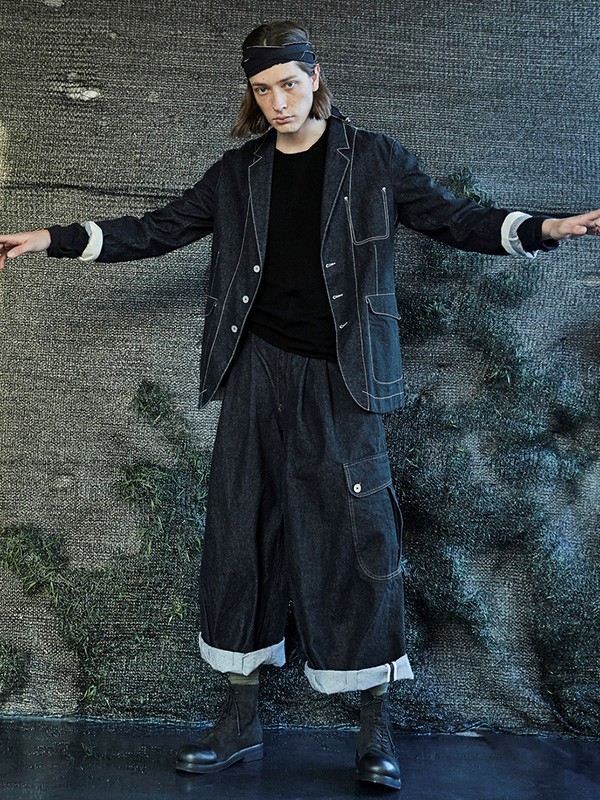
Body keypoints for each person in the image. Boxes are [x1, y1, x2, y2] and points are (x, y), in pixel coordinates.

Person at [1, 19, 599, 793]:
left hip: (344, 378)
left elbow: (454, 218)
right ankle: (239, 717)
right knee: (241, 532)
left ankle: (374, 727)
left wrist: (547, 227)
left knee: (357, 539)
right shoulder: (239, 172)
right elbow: (157, 229)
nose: (278, 100)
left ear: (315, 77)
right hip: (256, 372)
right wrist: (50, 237)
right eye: (262, 89)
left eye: (289, 82)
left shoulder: (374, 160)